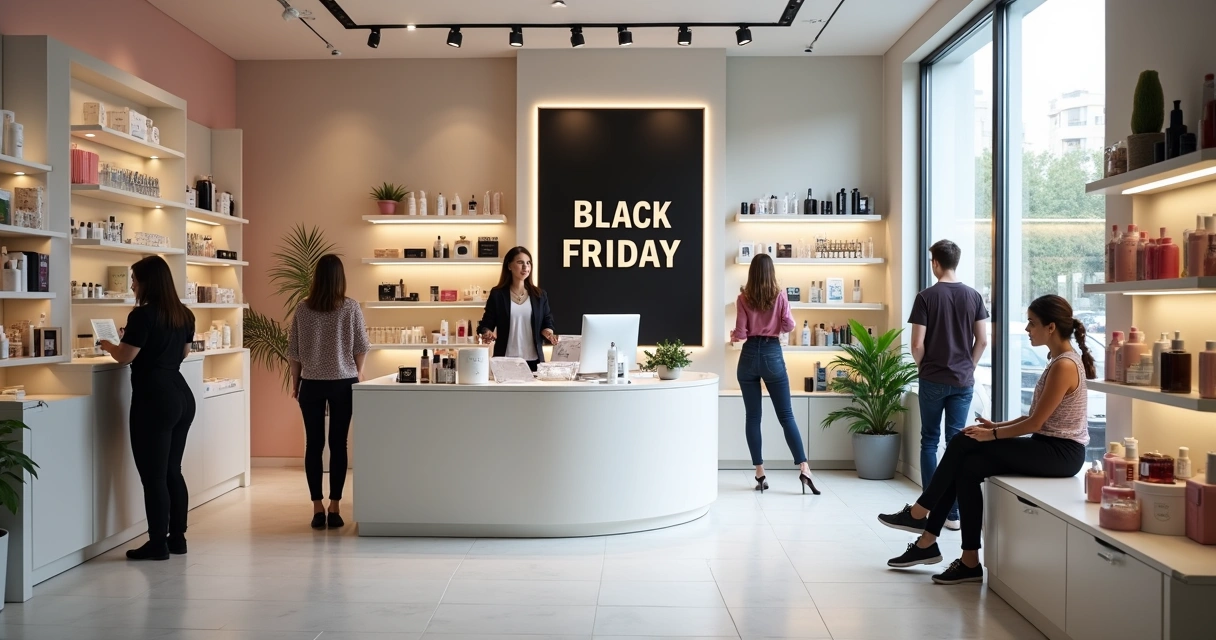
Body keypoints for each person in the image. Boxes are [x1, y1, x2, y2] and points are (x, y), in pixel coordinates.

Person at [878, 295, 1093, 585]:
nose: (1027, 329)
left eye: (1032, 323)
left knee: (964, 441)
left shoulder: (1065, 365)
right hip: (1049, 446)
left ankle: (921, 515)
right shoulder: (1058, 361)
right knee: (968, 466)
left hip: (1061, 453)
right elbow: (1035, 416)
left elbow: (1035, 423)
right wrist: (996, 426)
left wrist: (991, 435)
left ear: (1051, 327)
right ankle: (954, 554)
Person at [99, 256, 197, 561]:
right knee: (172, 470)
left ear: (147, 283)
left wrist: (108, 345)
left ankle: (157, 543)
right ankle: (177, 538)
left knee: (153, 476)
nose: (132, 284)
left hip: (154, 399)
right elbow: (183, 352)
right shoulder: (184, 314)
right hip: (181, 395)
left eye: (134, 279)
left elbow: (125, 357)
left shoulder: (142, 316)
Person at [908, 239, 989, 530]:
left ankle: (930, 507)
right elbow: (982, 340)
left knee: (929, 441)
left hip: (932, 379)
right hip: (962, 380)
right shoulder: (974, 296)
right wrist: (969, 365)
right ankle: (953, 514)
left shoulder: (926, 297)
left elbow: (917, 344)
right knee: (955, 444)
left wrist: (925, 368)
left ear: (935, 263)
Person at [288, 254, 369, 530]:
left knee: (313, 445)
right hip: (343, 382)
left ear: (317, 278)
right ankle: (335, 507)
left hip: (310, 382)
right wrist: (358, 373)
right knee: (339, 445)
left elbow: (294, 352)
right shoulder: (351, 307)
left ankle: (317, 507)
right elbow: (361, 346)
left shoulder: (303, 308)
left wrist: (295, 381)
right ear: (340, 278)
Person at [730, 254, 819, 495]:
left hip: (748, 357)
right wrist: (778, 320)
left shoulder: (743, 298)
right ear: (771, 273)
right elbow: (789, 326)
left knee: (753, 417)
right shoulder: (780, 296)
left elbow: (741, 332)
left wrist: (734, 335)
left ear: (751, 273)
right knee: (786, 416)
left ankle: (760, 473)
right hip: (772, 354)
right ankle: (804, 468)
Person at [477, 246, 558, 371]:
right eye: (520, 262)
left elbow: (547, 320)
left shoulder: (540, 295)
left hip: (534, 361)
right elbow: (486, 323)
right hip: (505, 360)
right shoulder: (498, 294)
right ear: (509, 266)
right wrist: (487, 332)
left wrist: (548, 332)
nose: (525, 267)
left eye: (528, 263)